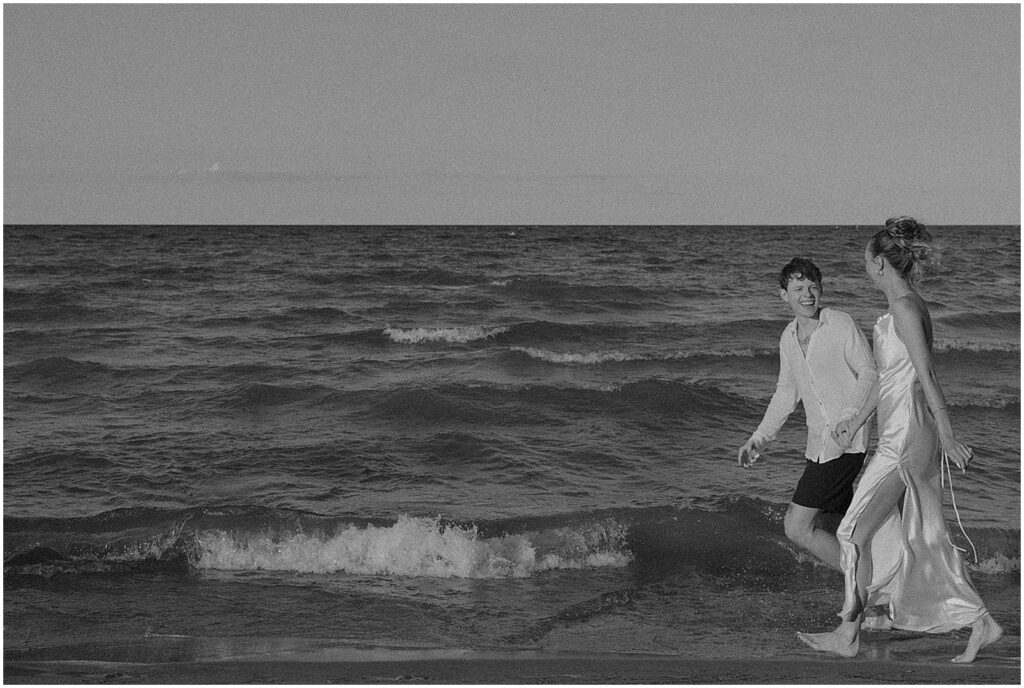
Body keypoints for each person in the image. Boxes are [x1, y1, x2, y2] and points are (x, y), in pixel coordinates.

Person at [796, 217, 1003, 664]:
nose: (864, 267)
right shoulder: (894, 313)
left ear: (879, 264)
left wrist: (947, 434)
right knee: (912, 535)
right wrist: (855, 421)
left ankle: (848, 632)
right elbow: (890, 381)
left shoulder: (907, 309)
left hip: (908, 436)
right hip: (896, 431)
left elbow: (926, 376)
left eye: (866, 260)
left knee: (851, 532)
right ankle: (979, 620)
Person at [738, 258, 877, 571]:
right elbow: (786, 395)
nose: (807, 294)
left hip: (846, 444)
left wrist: (850, 417)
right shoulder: (788, 338)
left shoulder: (840, 323)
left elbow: (869, 372)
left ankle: (868, 586)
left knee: (797, 527)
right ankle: (879, 598)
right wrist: (758, 439)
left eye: (813, 287)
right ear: (783, 295)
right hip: (817, 447)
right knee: (838, 525)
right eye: (798, 288)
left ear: (822, 290)